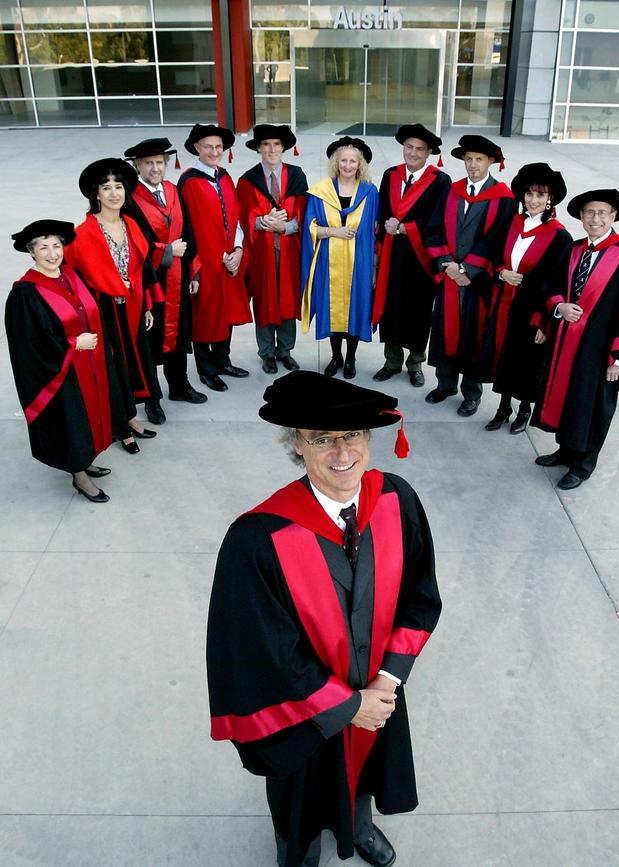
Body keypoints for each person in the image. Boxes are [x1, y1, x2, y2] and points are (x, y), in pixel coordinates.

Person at [206, 370, 441, 867]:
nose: (342, 454)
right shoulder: (258, 538)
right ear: (296, 446)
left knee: (366, 773)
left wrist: (385, 680)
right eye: (322, 440)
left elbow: (420, 598)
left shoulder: (397, 501)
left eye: (352, 435)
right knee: (300, 796)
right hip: (305, 715)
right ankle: (297, 850)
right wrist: (346, 706)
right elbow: (260, 653)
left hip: (378, 691)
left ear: (369, 438)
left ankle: (356, 827)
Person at [532, 189, 619, 489]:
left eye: (602, 213)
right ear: (581, 218)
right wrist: (559, 307)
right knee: (571, 399)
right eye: (589, 213)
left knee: (594, 405)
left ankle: (583, 464)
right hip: (568, 344)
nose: (595, 219)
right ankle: (566, 450)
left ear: (613, 216)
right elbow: (552, 285)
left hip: (602, 349)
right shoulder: (574, 250)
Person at [5, 220, 129, 503]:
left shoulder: (72, 275)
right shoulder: (25, 293)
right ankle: (78, 475)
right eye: (43, 247)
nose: (52, 253)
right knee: (71, 422)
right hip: (60, 374)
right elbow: (30, 345)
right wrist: (73, 344)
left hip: (89, 365)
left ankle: (86, 460)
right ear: (31, 252)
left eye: (57, 246)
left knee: (88, 419)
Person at [65, 157, 162, 455]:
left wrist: (145, 303)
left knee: (133, 364)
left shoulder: (130, 224)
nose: (113, 193)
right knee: (112, 368)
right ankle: (120, 427)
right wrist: (119, 287)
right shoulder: (82, 234)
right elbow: (82, 278)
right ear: (96, 193)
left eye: (118, 186)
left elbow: (140, 270)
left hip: (130, 308)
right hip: (102, 310)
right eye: (106, 188)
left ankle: (131, 417)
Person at [425, 135, 515, 415]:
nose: (473, 165)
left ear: (491, 161)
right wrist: (447, 264)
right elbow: (434, 229)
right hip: (449, 278)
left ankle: (471, 393)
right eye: (468, 159)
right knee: (445, 331)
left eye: (479, 159)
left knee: (473, 337)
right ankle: (445, 384)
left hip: (479, 283)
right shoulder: (451, 191)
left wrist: (468, 269)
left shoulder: (503, 198)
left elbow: (498, 240)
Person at [481, 163, 572, 434]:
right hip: (505, 305)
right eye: (529, 194)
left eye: (540, 195)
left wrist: (545, 322)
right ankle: (503, 408)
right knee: (504, 359)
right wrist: (501, 273)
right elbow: (493, 257)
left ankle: (523, 410)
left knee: (526, 364)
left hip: (533, 312)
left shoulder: (559, 236)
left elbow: (557, 283)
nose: (533, 200)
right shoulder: (511, 224)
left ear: (550, 200)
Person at [124, 136, 207, 422]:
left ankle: (179, 385)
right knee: (150, 339)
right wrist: (167, 251)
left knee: (180, 333)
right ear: (138, 166)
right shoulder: (130, 199)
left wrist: (193, 270)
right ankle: (152, 400)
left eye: (160, 162)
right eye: (149, 163)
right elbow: (134, 242)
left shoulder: (173, 191)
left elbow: (190, 231)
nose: (155, 168)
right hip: (151, 282)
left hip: (179, 278)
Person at [373, 123, 450, 388]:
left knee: (418, 311)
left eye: (419, 149)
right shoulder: (390, 175)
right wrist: (385, 227)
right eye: (409, 147)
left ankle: (415, 363)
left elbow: (438, 220)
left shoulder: (440, 181)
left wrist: (406, 227)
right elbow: (382, 210)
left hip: (422, 257)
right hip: (393, 254)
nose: (413, 153)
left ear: (429, 152)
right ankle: (392, 361)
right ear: (403, 148)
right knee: (392, 307)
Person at [177, 123, 252, 393]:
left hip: (230, 259)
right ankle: (206, 370)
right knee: (205, 315)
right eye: (208, 146)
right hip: (205, 262)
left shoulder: (225, 176)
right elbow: (190, 226)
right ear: (197, 148)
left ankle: (223, 361)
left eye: (219, 146)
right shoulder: (188, 182)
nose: (214, 151)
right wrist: (218, 254)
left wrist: (238, 249)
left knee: (226, 312)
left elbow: (235, 216)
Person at [301, 137, 379, 380]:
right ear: (336, 163)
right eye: (343, 160)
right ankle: (336, 356)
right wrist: (333, 231)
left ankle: (351, 358)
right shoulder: (320, 191)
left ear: (360, 164)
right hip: (329, 261)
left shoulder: (370, 192)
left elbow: (374, 230)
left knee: (356, 308)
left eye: (352, 161)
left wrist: (374, 265)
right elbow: (310, 228)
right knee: (331, 307)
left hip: (360, 262)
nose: (347, 165)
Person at [237, 124, 308, 374]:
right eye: (266, 144)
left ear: (284, 147)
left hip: (289, 250)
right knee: (265, 299)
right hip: (261, 252)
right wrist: (262, 222)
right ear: (258, 148)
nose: (271, 149)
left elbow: (307, 213)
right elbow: (241, 215)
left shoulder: (297, 176)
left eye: (276, 144)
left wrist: (285, 226)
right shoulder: (247, 181)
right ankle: (266, 352)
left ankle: (285, 351)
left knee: (288, 298)